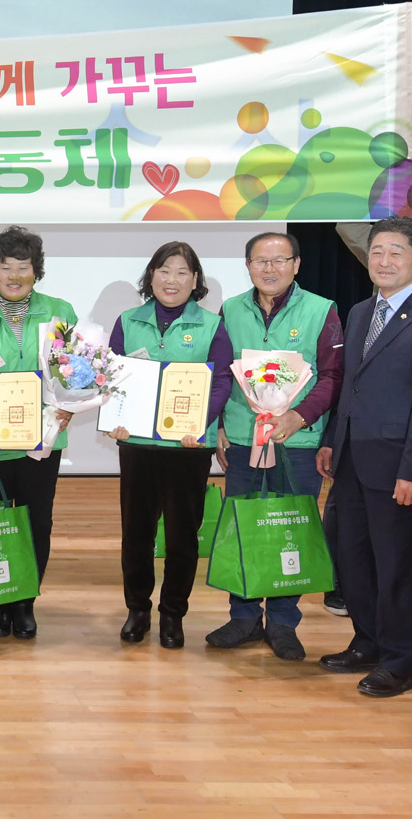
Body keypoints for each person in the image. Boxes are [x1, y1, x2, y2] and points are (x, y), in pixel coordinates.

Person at [314, 217, 412, 697]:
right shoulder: (360, 312)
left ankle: (400, 661)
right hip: (352, 460)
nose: (384, 261)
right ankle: (367, 641)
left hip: (399, 468)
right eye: (377, 251)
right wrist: (332, 439)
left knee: (398, 566)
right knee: (353, 558)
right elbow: (349, 387)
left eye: (397, 252)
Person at [208, 231, 344, 661]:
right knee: (243, 526)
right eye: (260, 261)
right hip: (242, 439)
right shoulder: (231, 309)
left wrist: (298, 416)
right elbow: (221, 374)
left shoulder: (322, 309)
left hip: (297, 441)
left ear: (296, 264)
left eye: (280, 260)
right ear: (248, 266)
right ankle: (244, 617)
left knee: (291, 529)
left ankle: (284, 622)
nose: (270, 268)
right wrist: (218, 426)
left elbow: (332, 376)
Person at [105, 241, 233, 650]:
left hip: (188, 447)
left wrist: (200, 422)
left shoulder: (211, 325)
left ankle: (173, 613)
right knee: (136, 533)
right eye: (164, 270)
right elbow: (111, 376)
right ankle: (137, 610)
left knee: (182, 536)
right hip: (137, 444)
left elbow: (223, 381)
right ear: (151, 275)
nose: (171, 280)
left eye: (181, 272)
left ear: (195, 280)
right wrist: (113, 418)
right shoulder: (128, 321)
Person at [0, 225, 77, 641]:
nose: (14, 275)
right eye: (5, 266)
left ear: (36, 271)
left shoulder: (60, 312)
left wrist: (71, 404)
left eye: (23, 267)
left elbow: (74, 373)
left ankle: (25, 602)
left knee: (36, 522)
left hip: (42, 440)